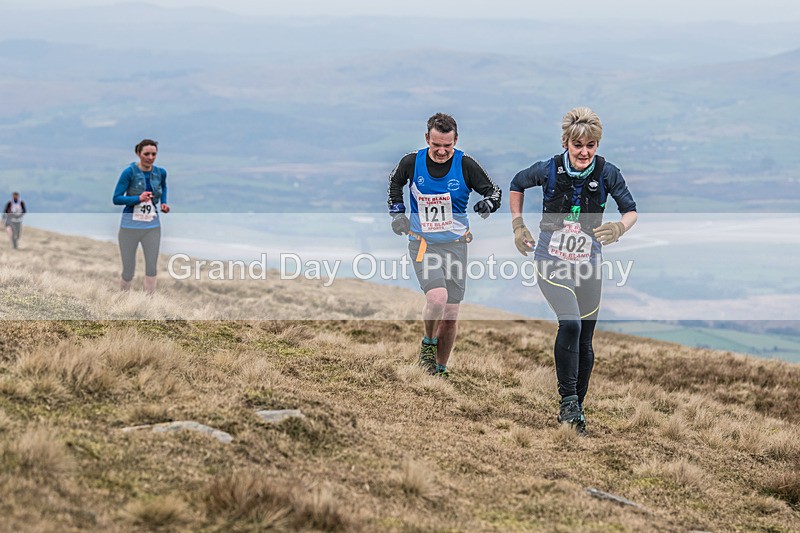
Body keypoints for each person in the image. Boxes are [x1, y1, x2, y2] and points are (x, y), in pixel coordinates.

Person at [509, 107, 637, 434]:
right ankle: (567, 400)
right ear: (566, 142)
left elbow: (631, 211)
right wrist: (518, 225)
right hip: (550, 261)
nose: (584, 152)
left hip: (589, 266)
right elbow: (516, 184)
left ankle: (575, 409)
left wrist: (619, 228)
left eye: (591, 145)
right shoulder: (548, 169)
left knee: (586, 342)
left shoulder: (608, 173)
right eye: (578, 145)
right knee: (570, 324)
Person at [387, 113, 501, 376]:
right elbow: (395, 182)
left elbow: (493, 190)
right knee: (437, 298)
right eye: (435, 144)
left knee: (450, 313)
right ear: (427, 138)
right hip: (423, 244)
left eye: (447, 146)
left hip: (456, 246)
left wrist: (488, 204)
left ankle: (439, 369)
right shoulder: (411, 162)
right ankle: (428, 343)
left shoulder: (466, 165)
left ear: (456, 140)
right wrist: (398, 214)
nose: (441, 151)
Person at [112, 139, 170, 294]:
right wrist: (138, 199)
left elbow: (163, 187)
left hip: (152, 227)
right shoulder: (129, 172)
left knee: (151, 267)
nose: (150, 157)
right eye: (146, 154)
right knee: (128, 269)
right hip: (129, 227)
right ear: (138, 154)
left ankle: (148, 305)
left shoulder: (160, 173)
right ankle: (123, 300)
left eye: (153, 154)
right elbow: (116, 198)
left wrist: (163, 203)